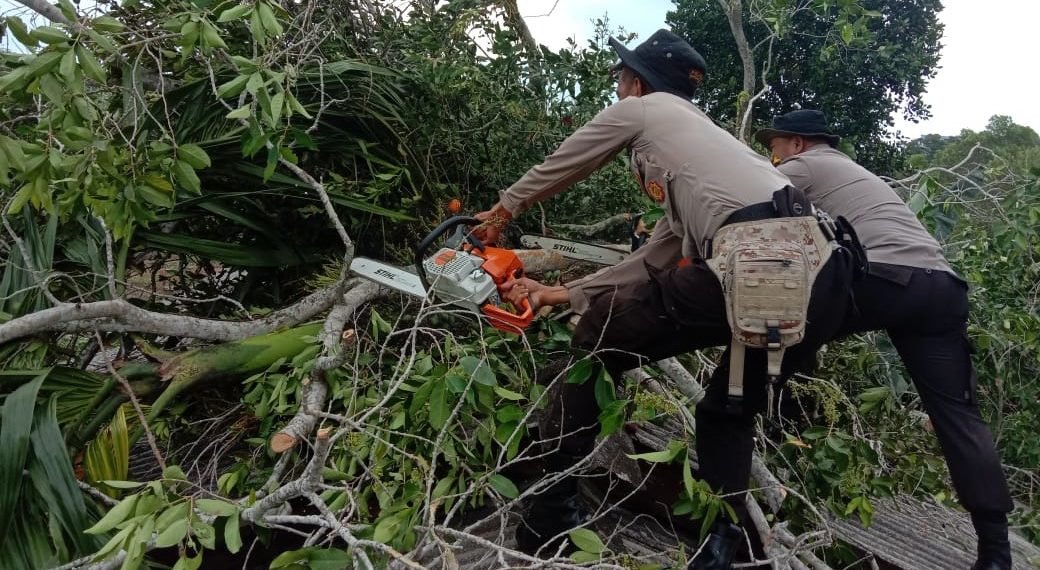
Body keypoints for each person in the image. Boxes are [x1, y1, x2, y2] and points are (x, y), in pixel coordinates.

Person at [474, 30, 857, 567]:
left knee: (598, 335)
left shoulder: (647, 109)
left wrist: (501, 213)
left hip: (760, 259)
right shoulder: (713, 150)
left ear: (636, 82)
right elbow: (654, 261)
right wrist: (561, 293)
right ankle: (732, 549)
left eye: (620, 80)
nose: (619, 89)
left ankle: (550, 505)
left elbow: (573, 157)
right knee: (727, 410)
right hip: (823, 280)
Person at [755, 109, 1014, 570]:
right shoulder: (858, 173)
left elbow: (744, 196)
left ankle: (773, 443)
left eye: (774, 146)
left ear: (796, 143)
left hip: (884, 277)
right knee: (959, 417)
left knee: (776, 334)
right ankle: (996, 553)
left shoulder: (804, 165)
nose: (770, 156)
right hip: (940, 287)